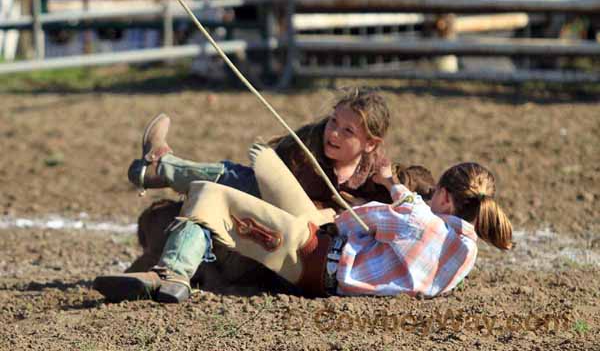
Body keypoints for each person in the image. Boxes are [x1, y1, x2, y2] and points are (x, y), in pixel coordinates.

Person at [93, 144, 511, 302]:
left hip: (312, 255)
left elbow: (353, 222)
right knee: (253, 181)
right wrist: (396, 191)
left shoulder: (418, 218)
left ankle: (173, 271)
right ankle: (161, 169)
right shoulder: (466, 253)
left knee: (212, 191)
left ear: (444, 197)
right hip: (329, 277)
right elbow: (409, 219)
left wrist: (358, 199)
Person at [128, 87, 393, 211]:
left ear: (371, 143)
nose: (333, 133)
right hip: (268, 200)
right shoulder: (306, 145)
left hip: (299, 238)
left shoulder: (376, 175)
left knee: (233, 180)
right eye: (333, 121)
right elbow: (269, 174)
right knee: (236, 177)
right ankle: (162, 166)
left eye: (348, 131)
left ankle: (159, 169)